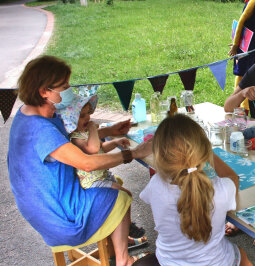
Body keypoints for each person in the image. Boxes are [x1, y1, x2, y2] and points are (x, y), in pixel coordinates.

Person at [7, 55, 152, 266]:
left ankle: (117, 243)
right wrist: (134, 153)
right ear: (44, 92)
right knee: (121, 197)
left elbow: (71, 140)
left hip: (42, 205)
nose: (69, 90)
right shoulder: (40, 130)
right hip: (59, 217)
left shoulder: (31, 113)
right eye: (63, 86)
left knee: (113, 185)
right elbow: (87, 163)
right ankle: (123, 259)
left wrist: (109, 130)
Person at [137, 114, 252, 266]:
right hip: (216, 263)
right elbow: (233, 178)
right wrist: (209, 152)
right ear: (203, 152)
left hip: (168, 262)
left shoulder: (156, 184)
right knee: (241, 254)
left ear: (159, 157)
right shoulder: (219, 190)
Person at [55, 94, 148, 248]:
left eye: (88, 115)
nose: (87, 118)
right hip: (92, 181)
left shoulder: (85, 133)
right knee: (125, 195)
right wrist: (92, 128)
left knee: (125, 195)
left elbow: (101, 147)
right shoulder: (75, 137)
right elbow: (92, 149)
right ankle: (127, 230)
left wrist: (115, 142)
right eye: (82, 116)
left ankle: (125, 233)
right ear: (70, 119)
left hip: (103, 175)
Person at [228, 0, 255, 113]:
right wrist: (235, 44)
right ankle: (240, 108)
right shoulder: (254, 2)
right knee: (242, 76)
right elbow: (241, 21)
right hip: (247, 48)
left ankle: (249, 108)